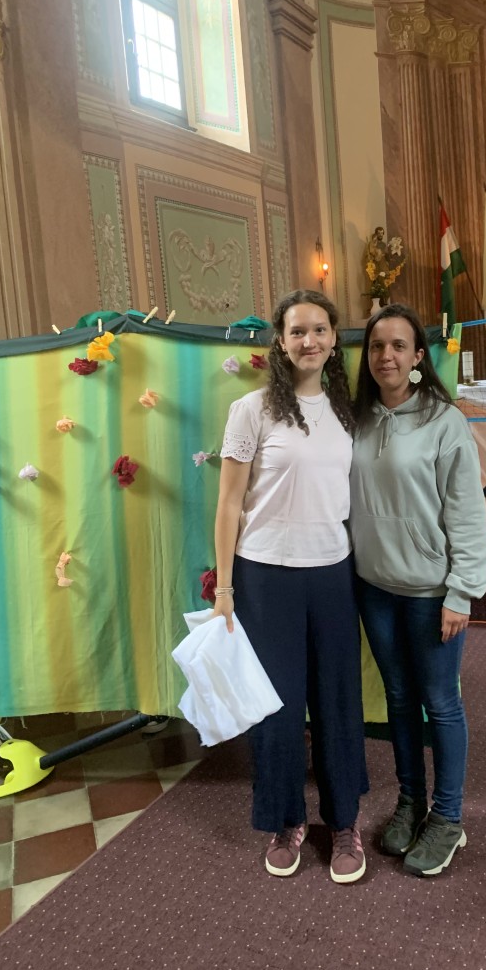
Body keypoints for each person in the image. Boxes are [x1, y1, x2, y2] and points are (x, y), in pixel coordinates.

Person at [213, 288, 368, 883]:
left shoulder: (348, 411)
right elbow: (229, 504)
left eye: (320, 330)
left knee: (337, 702)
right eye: (298, 331)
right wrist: (225, 589)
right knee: (276, 708)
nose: (310, 341)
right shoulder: (251, 410)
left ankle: (344, 820)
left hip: (332, 573)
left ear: (333, 339)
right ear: (280, 341)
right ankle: (286, 819)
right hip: (265, 576)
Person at [349, 304, 486, 878]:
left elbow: (467, 512)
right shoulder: (356, 419)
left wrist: (462, 591)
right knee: (400, 700)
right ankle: (410, 802)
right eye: (376, 346)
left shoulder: (444, 421)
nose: (386, 355)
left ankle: (448, 817)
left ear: (417, 356)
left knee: (441, 702)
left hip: (431, 591)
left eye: (398, 346)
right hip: (375, 587)